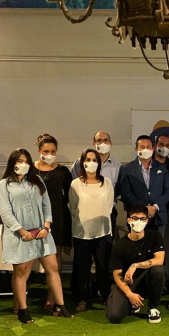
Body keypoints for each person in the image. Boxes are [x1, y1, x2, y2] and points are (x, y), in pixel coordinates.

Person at [0, 149, 74, 323]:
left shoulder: (37, 180)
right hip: (19, 235)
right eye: (19, 161)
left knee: (52, 267)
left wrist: (46, 226)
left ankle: (60, 305)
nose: (23, 164)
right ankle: (23, 309)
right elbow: (5, 212)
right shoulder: (4, 185)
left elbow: (47, 205)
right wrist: (22, 232)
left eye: (26, 161)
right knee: (21, 272)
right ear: (12, 163)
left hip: (41, 232)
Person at [106, 204, 168, 324]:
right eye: (135, 218)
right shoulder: (119, 246)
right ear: (128, 220)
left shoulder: (155, 236)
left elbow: (159, 260)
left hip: (147, 278)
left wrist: (135, 265)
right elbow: (117, 274)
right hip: (128, 282)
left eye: (142, 218)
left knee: (159, 270)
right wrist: (129, 294)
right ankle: (131, 303)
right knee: (114, 316)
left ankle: (153, 308)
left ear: (147, 221)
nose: (139, 222)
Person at [69, 148, 114, 312]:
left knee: (103, 267)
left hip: (103, 232)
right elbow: (73, 208)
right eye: (88, 160)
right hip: (82, 233)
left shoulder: (106, 182)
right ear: (82, 163)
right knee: (82, 268)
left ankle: (106, 297)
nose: (91, 163)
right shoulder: (75, 184)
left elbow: (110, 206)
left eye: (95, 160)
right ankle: (83, 299)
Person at [33, 134, 73, 309]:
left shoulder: (63, 171)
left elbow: (70, 196)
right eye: (46, 151)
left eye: (53, 151)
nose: (49, 154)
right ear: (39, 151)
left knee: (55, 256)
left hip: (58, 217)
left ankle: (52, 294)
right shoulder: (30, 170)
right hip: (34, 218)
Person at [118, 135, 169, 239]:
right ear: (136, 149)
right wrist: (143, 208)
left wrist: (155, 207)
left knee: (158, 247)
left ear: (153, 148)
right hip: (136, 217)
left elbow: (168, 191)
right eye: (142, 147)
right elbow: (125, 192)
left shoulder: (162, 167)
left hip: (158, 217)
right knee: (136, 247)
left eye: (148, 147)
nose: (145, 149)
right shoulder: (126, 168)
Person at [71, 131, 122, 232]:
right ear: (94, 143)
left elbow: (118, 190)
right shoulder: (80, 163)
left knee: (105, 240)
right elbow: (73, 188)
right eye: (99, 140)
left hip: (107, 212)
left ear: (110, 143)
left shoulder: (118, 167)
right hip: (84, 212)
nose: (102, 143)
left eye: (105, 140)